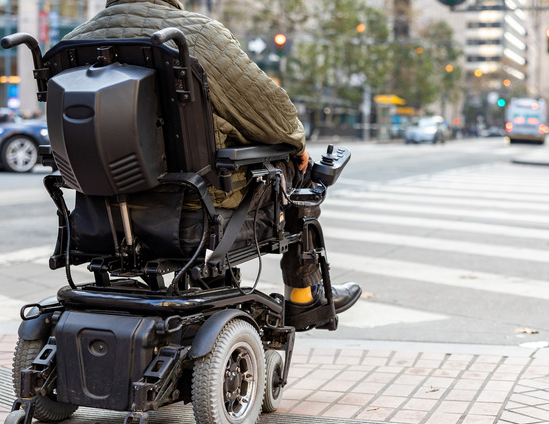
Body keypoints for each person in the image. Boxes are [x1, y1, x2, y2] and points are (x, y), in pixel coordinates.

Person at [63, 0, 361, 325]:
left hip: (97, 217)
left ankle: (222, 287)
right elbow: (274, 115)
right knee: (294, 170)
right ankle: (304, 296)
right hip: (196, 213)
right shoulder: (196, 34)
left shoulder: (71, 43)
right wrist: (297, 148)